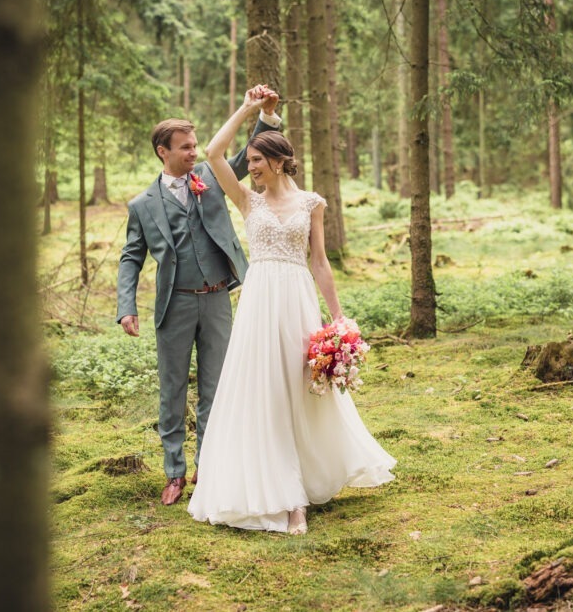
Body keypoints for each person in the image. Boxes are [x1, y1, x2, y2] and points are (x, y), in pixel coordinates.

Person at [187, 90, 396, 534]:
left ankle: (303, 481)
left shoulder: (311, 204)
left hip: (297, 298)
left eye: (259, 160)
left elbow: (319, 262)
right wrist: (248, 110)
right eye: (251, 162)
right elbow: (214, 152)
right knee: (265, 390)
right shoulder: (248, 201)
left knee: (299, 389)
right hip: (260, 300)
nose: (253, 167)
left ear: (279, 161)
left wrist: (338, 319)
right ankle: (287, 498)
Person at [116, 86, 281, 506]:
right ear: (162, 152)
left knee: (217, 389)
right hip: (174, 305)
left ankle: (209, 470)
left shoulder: (210, 176)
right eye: (185, 147)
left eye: (194, 145)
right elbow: (131, 258)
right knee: (171, 392)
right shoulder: (142, 205)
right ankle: (174, 472)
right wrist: (126, 307)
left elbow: (246, 156)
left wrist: (264, 115)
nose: (193, 152)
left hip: (217, 300)